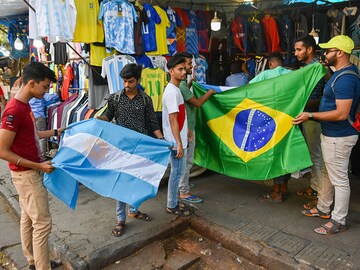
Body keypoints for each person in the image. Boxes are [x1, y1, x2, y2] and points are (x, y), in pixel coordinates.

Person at [0, 62, 65, 270]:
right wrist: (39, 166)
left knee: (28, 218)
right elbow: (2, 150)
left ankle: (32, 261)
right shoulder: (14, 111)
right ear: (31, 83)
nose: (46, 92)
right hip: (27, 175)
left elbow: (32, 135)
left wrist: (56, 132)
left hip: (27, 174)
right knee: (42, 224)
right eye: (45, 87)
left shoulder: (24, 105)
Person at [293, 35, 360, 235]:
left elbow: (341, 113)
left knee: (339, 179)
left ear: (340, 53)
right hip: (332, 134)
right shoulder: (341, 73)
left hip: (340, 136)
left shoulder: (346, 79)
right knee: (329, 175)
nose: (325, 54)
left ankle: (338, 220)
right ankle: (323, 207)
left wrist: (311, 115)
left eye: (329, 51)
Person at [98, 63, 164, 237]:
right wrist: (100, 119)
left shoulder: (145, 99)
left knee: (138, 180)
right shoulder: (115, 98)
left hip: (140, 146)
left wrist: (162, 140)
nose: (127, 85)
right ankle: (120, 219)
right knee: (121, 182)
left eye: (130, 81)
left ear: (138, 80)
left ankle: (134, 209)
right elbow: (107, 115)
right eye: (124, 81)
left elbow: (152, 122)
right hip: (121, 148)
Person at [250, 52, 293, 202]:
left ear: (270, 64)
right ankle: (285, 187)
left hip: (271, 120)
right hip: (289, 120)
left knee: (274, 153)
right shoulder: (292, 74)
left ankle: (276, 192)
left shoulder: (265, 75)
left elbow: (249, 89)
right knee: (285, 153)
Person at [173, 52, 216, 204]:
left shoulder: (181, 85)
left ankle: (181, 185)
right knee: (187, 161)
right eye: (189, 64)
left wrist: (191, 84)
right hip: (186, 130)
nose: (192, 67)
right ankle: (184, 192)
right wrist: (210, 92)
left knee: (184, 161)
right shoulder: (181, 86)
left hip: (186, 128)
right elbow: (196, 103)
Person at [294, 35, 325, 210]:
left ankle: (321, 196)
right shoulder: (307, 67)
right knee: (314, 156)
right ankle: (314, 188)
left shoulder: (315, 69)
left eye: (299, 49)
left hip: (313, 117)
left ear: (309, 49)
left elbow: (317, 98)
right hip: (307, 116)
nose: (296, 53)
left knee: (317, 157)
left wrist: (295, 103)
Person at [162, 55, 193, 216]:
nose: (183, 72)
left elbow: (180, 117)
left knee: (178, 172)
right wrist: (179, 143)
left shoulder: (176, 89)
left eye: (183, 68)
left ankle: (173, 201)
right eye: (180, 69)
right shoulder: (172, 92)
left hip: (178, 137)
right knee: (176, 173)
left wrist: (186, 130)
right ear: (171, 71)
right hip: (175, 141)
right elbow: (173, 120)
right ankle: (171, 204)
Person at [30, 93, 60, 159]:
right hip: (39, 115)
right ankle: (41, 157)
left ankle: (36, 155)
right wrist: (57, 93)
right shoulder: (38, 91)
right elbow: (49, 98)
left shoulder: (29, 93)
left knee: (33, 135)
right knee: (42, 137)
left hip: (31, 115)